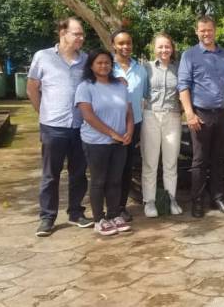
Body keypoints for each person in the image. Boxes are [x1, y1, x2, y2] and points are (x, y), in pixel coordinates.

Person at [27, 17, 92, 237]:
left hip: (79, 127)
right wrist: (43, 113)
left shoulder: (86, 60)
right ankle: (47, 217)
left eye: (82, 34)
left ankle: (76, 212)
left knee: (79, 173)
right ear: (62, 32)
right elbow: (32, 89)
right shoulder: (43, 57)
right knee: (50, 175)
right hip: (53, 127)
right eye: (77, 34)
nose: (81, 38)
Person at [177, 15, 224, 218]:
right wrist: (190, 114)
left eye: (209, 30)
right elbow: (183, 85)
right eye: (202, 30)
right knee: (200, 160)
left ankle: (217, 197)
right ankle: (197, 201)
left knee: (219, 158)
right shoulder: (189, 55)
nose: (206, 33)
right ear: (197, 32)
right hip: (201, 114)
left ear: (215, 30)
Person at [75, 49, 134, 235]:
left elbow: (129, 112)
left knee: (115, 181)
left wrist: (129, 132)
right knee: (99, 181)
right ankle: (99, 219)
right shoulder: (85, 86)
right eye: (99, 62)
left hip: (120, 142)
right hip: (96, 142)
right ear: (91, 65)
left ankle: (114, 214)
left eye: (107, 63)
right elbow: (88, 116)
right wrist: (112, 133)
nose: (104, 66)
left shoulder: (120, 85)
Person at [140, 33, 183, 218]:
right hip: (151, 115)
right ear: (154, 48)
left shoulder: (179, 68)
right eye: (160, 47)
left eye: (167, 46)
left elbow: (184, 91)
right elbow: (141, 93)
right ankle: (149, 201)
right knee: (150, 162)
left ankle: (171, 198)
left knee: (171, 162)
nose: (164, 50)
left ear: (172, 48)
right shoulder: (146, 67)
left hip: (172, 117)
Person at [111, 29, 148, 222]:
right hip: (109, 126)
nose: (125, 47)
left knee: (126, 168)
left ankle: (121, 207)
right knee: (109, 168)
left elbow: (146, 96)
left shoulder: (141, 70)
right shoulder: (105, 67)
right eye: (121, 43)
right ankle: (108, 208)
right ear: (113, 45)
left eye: (129, 43)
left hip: (134, 126)